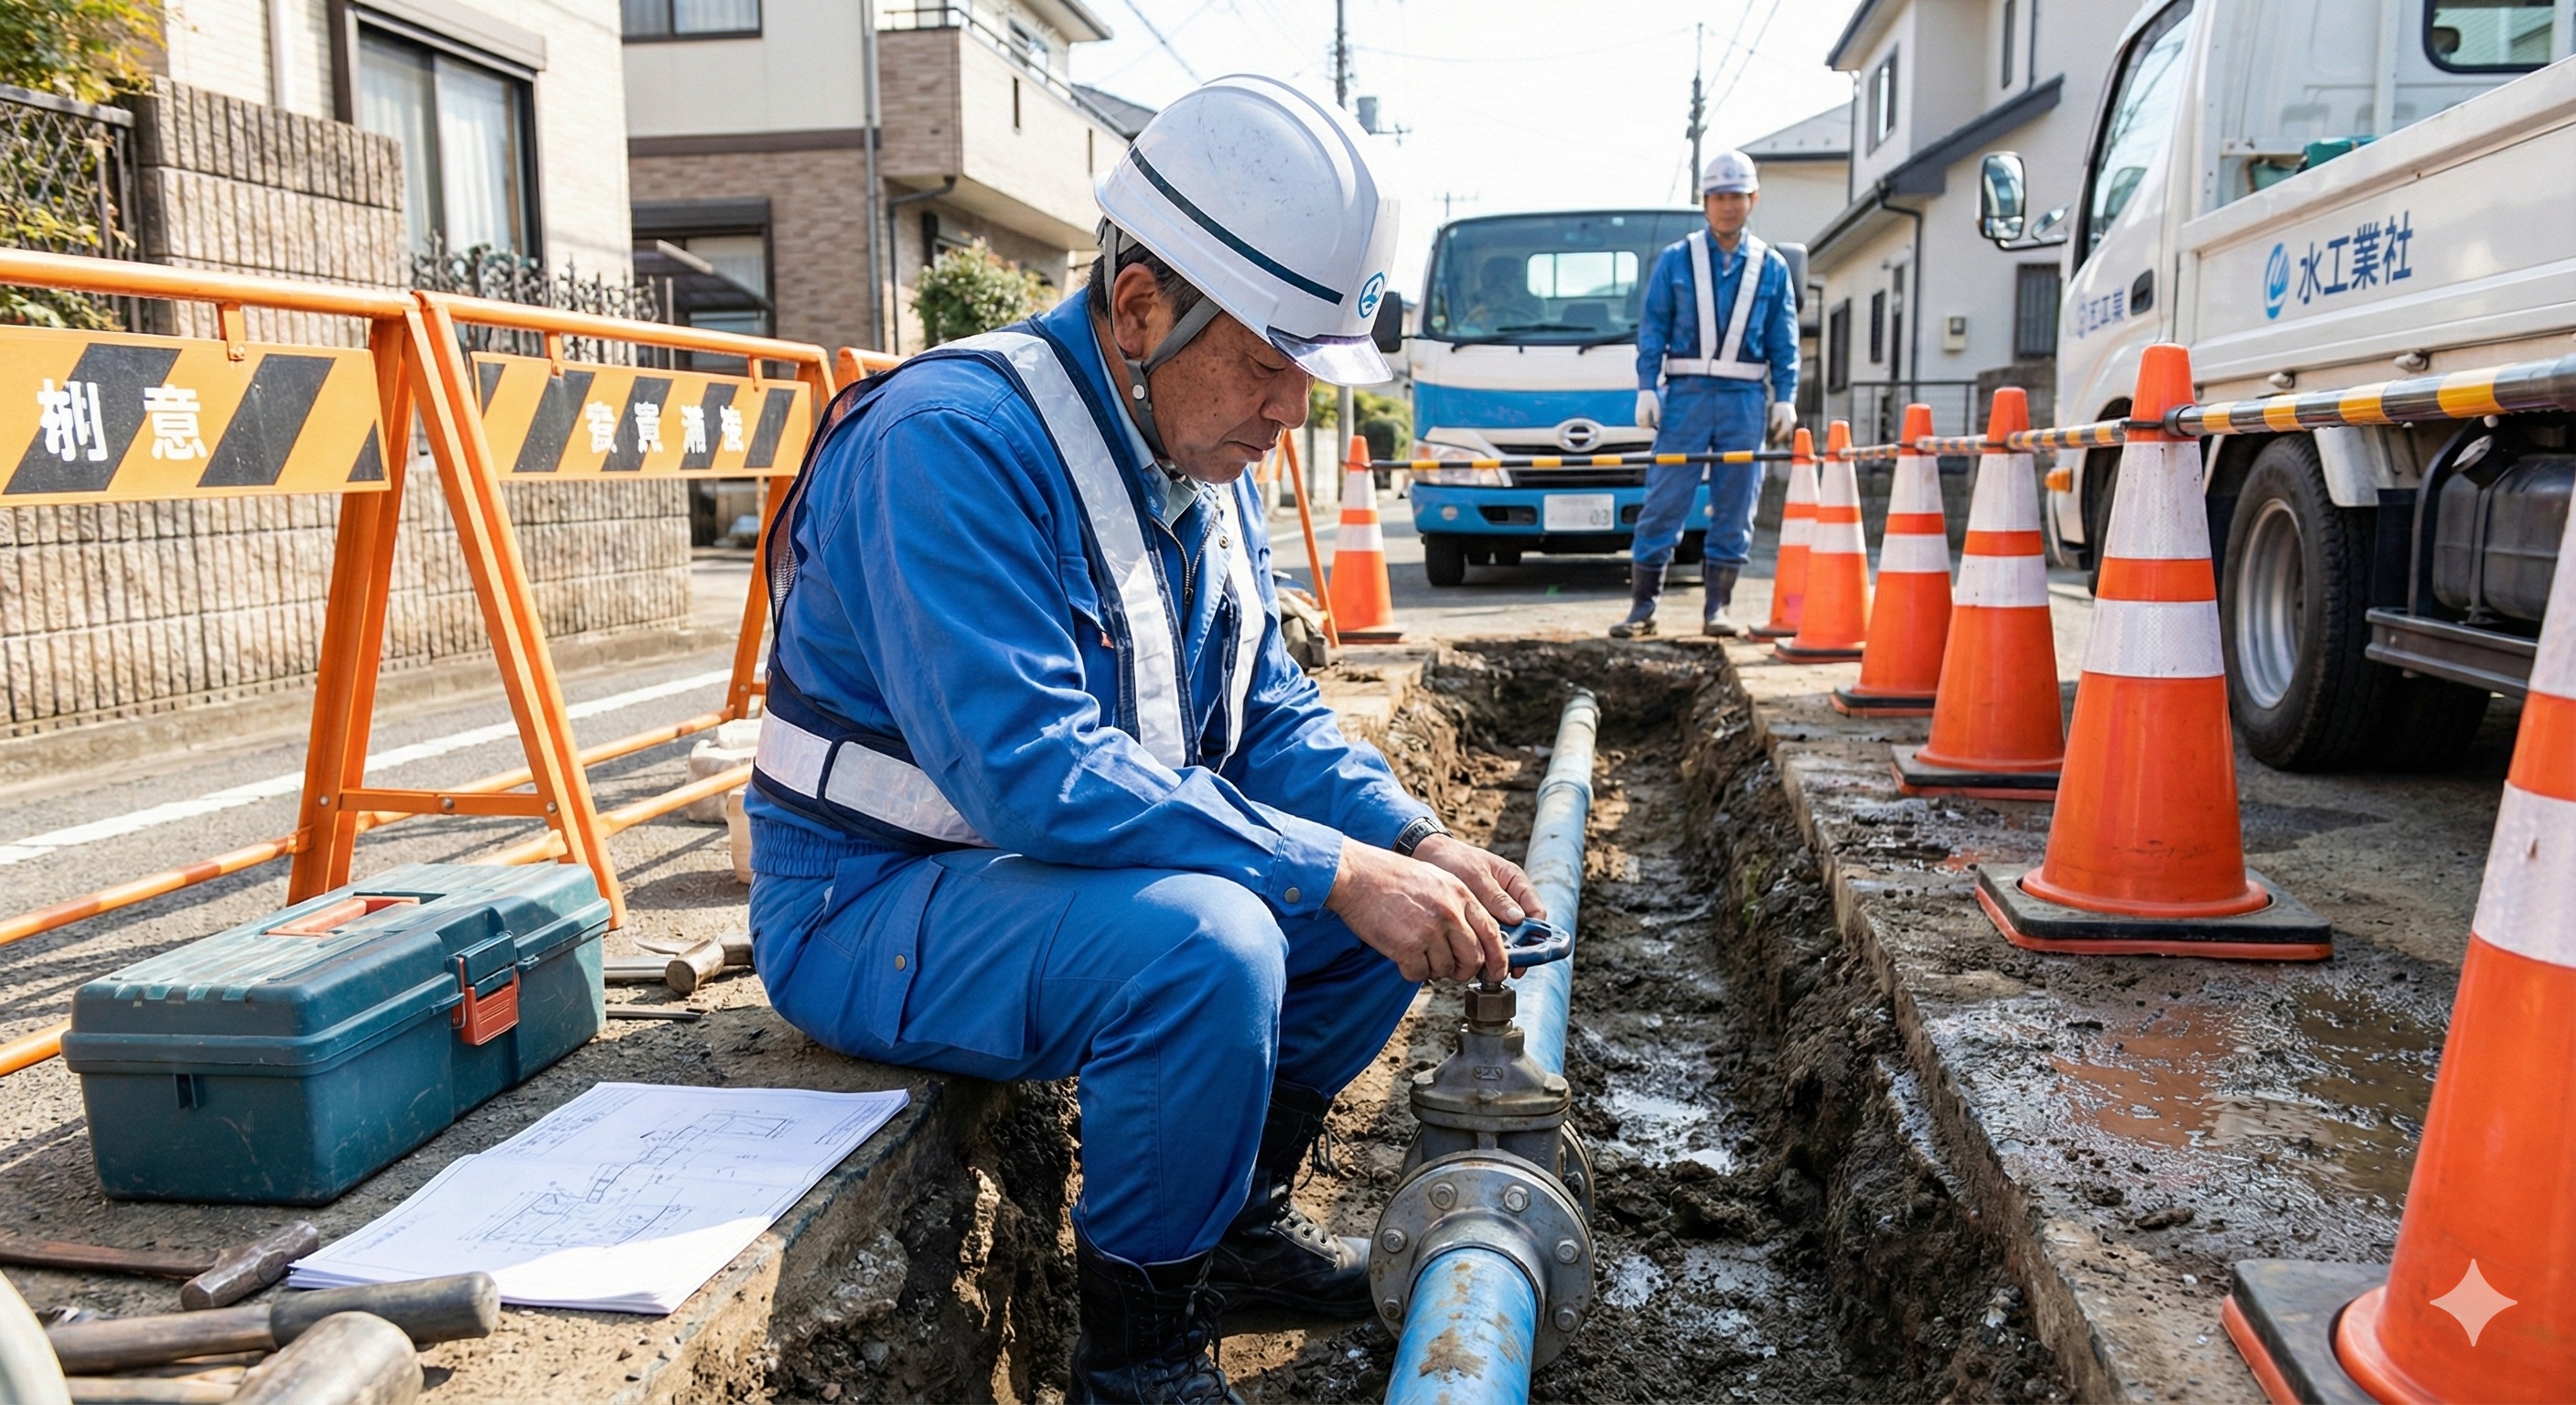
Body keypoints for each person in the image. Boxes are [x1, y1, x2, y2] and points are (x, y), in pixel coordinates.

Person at [744, 75, 1541, 1405]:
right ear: (1139, 309)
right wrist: (1334, 869)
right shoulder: (951, 444)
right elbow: (1032, 771)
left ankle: (1227, 1241)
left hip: (1034, 889)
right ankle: (1136, 1356)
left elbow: (1264, 712)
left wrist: (1413, 838)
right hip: (864, 906)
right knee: (1216, 942)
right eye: (1272, 363)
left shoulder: (1190, 450)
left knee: (1358, 891)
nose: (1293, 411)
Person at [1615, 148, 1799, 638]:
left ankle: (1717, 608)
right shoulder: (1677, 260)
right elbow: (1652, 327)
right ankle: (1642, 607)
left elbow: (1785, 338)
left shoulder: (1772, 267)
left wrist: (1785, 394)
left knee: (1737, 503)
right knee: (1664, 498)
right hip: (1687, 397)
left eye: (1736, 196)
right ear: (1705, 202)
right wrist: (1645, 387)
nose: (1727, 206)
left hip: (1744, 400)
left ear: (1752, 199)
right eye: (1718, 196)